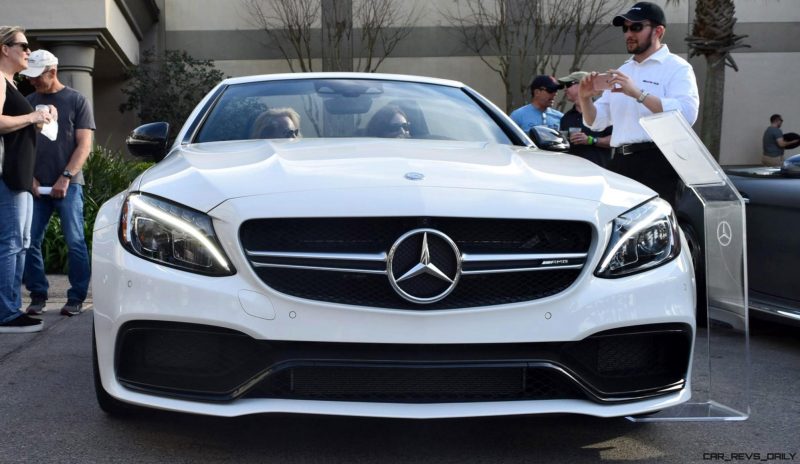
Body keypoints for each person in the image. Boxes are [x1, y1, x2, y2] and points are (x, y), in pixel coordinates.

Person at [578, 2, 699, 207]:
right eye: (625, 28)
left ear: (658, 31)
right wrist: (585, 97)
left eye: (636, 27)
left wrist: (637, 93)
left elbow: (687, 114)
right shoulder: (623, 69)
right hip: (619, 163)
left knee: (657, 233)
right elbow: (596, 122)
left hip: (658, 161)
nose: (628, 34)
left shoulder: (677, 67)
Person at [21, 49, 95, 317]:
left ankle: (76, 298)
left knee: (75, 241)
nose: (32, 81)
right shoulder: (27, 101)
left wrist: (65, 178)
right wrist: (30, 176)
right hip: (36, 187)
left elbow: (84, 144)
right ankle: (38, 295)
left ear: (52, 72)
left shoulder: (76, 100)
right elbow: (22, 145)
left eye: (36, 76)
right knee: (29, 241)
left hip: (69, 186)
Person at [0, 26, 56, 333]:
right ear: (4, 48)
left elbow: (16, 124)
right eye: (22, 45)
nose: (28, 51)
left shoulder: (11, 83)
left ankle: (11, 308)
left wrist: (40, 117)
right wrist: (33, 116)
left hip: (20, 173)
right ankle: (5, 312)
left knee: (21, 242)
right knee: (11, 243)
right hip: (8, 173)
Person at [557, 71, 612, 167]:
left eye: (569, 84)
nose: (565, 89)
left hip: (599, 171)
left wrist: (591, 140)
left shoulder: (602, 112)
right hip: (573, 171)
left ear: (583, 85)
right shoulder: (566, 117)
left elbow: (614, 140)